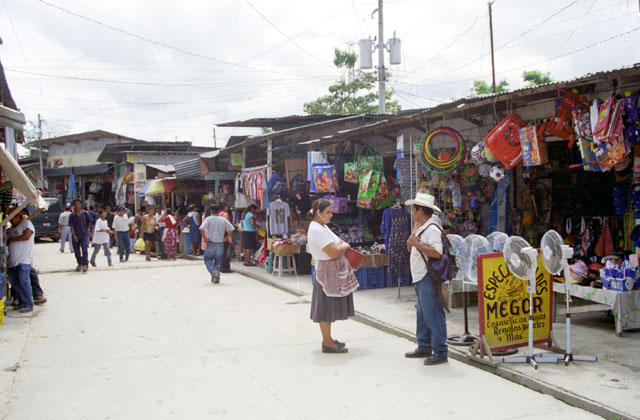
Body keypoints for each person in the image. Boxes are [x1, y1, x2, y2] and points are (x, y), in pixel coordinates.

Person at [307, 198, 358, 354]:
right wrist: (345, 246)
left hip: (331, 270)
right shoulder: (316, 229)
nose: (331, 215)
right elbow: (334, 251)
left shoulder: (322, 227)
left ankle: (328, 339)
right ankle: (327, 342)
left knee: (328, 305)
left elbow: (338, 243)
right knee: (324, 307)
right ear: (318, 212)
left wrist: (341, 246)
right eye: (328, 212)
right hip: (326, 271)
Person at [404, 192, 448, 366]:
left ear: (420, 210)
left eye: (414, 209)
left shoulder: (432, 229)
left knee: (433, 314)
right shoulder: (423, 226)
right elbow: (409, 246)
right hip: (420, 276)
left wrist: (417, 244)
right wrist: (415, 229)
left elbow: (437, 252)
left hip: (427, 276)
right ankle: (424, 346)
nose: (412, 212)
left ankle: (440, 351)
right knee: (422, 313)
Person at [7, 208, 36, 313]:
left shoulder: (26, 224)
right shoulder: (10, 229)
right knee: (15, 283)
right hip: (12, 261)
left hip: (24, 260)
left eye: (12, 218)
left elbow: (26, 236)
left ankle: (28, 303)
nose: (10, 220)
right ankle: (22, 301)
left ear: (18, 216)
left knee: (24, 282)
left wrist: (10, 238)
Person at [200, 203, 235, 284]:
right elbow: (231, 229)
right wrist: (227, 237)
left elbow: (201, 228)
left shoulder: (208, 219)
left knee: (207, 258)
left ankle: (213, 272)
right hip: (220, 243)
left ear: (211, 211)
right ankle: (217, 278)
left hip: (211, 242)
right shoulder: (223, 219)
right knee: (218, 261)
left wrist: (204, 238)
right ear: (218, 210)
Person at [69, 199, 92, 272]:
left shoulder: (85, 213)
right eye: (75, 204)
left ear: (81, 204)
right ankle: (80, 263)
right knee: (77, 251)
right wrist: (74, 235)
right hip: (76, 235)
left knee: (85, 250)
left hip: (84, 234)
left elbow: (89, 221)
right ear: (73, 206)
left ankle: (85, 264)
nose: (77, 206)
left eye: (78, 204)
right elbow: (71, 226)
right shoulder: (72, 215)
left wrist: (88, 230)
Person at [219, 203, 233, 273]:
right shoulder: (225, 214)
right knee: (225, 252)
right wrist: (229, 236)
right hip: (225, 233)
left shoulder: (219, 214)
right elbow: (226, 225)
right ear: (225, 207)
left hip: (220, 234)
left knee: (222, 251)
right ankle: (225, 268)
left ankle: (221, 267)